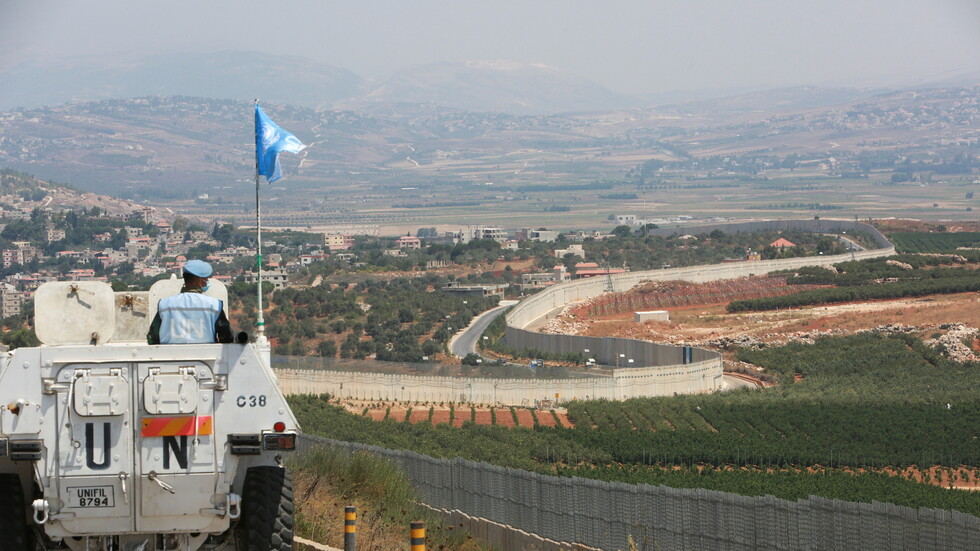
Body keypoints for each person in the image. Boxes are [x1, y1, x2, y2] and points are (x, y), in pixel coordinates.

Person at [148, 259, 234, 344]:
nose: (206, 282)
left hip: (170, 357)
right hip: (206, 356)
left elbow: (152, 337)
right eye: (205, 279)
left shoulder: (165, 305)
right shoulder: (214, 305)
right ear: (197, 280)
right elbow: (226, 337)